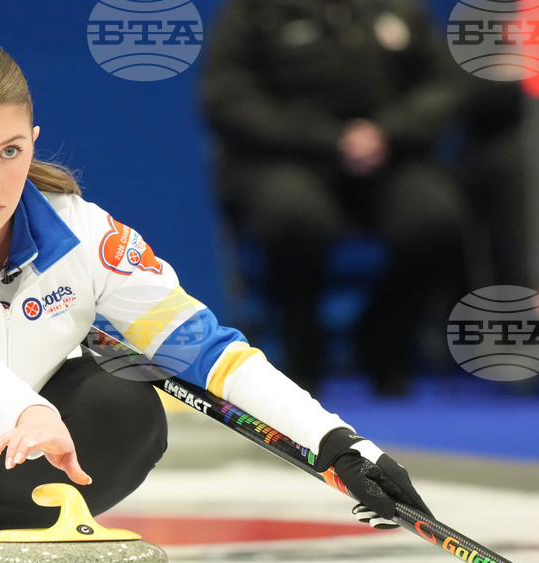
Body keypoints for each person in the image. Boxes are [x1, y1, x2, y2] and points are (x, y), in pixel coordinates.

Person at [0, 41, 431, 563]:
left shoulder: (88, 237)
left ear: (33, 143)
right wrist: (24, 408)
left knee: (125, 404)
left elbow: (204, 348)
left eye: (10, 151)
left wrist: (339, 443)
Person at [200, 0, 471, 395]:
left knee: (436, 215)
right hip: (289, 156)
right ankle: (303, 349)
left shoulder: (401, 7)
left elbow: (444, 84)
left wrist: (388, 131)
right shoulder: (253, 10)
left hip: (388, 155)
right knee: (294, 217)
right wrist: (329, 139)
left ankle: (383, 339)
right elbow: (226, 97)